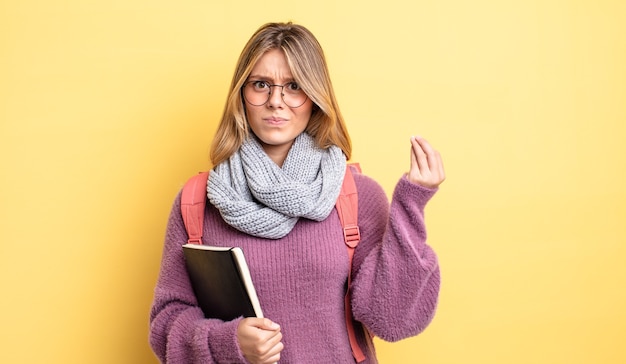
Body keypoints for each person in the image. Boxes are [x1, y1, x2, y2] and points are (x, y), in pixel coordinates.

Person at [149, 22, 445, 364]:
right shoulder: (199, 201)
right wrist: (228, 343)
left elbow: (392, 321)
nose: (276, 101)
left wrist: (411, 206)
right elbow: (165, 324)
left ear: (316, 97)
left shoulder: (357, 197)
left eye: (294, 86)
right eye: (261, 85)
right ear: (241, 94)